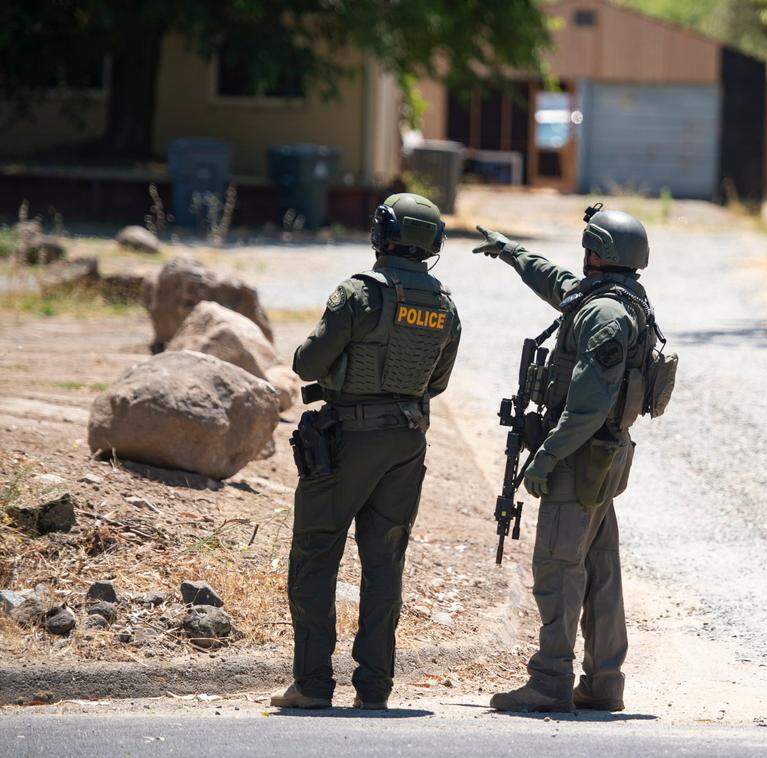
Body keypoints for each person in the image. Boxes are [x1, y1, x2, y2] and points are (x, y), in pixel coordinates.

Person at [271, 193, 461, 710]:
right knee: (384, 563)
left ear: (382, 233)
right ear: (432, 244)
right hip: (406, 444)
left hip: (346, 442)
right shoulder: (444, 305)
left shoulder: (358, 294)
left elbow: (307, 365)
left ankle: (311, 685)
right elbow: (436, 383)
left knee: (315, 555)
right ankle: (374, 688)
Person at [473, 206, 665, 713]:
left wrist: (545, 460)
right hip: (603, 459)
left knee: (558, 566)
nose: (582, 256)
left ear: (599, 254)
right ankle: (604, 682)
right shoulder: (615, 300)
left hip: (582, 459)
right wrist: (513, 252)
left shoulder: (602, 315)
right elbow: (557, 281)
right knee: (600, 569)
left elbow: (587, 406)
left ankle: (550, 680)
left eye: (588, 247)